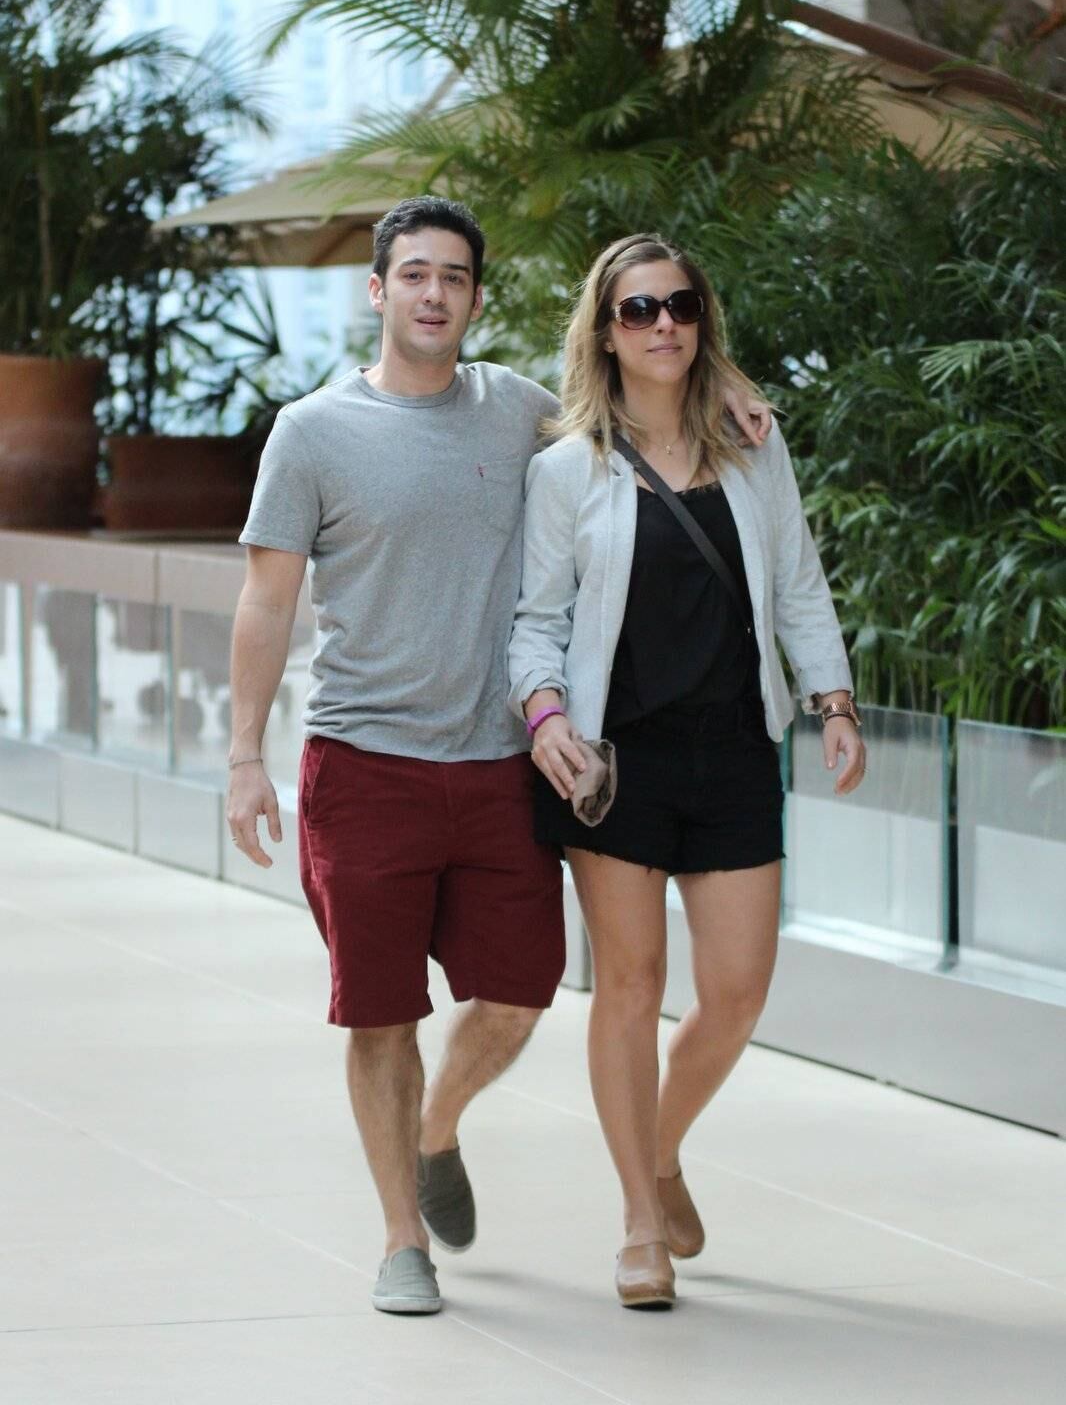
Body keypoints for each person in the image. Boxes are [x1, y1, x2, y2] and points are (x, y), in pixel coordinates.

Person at [225, 198, 771, 1317]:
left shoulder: (519, 412)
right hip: (362, 762)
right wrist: (243, 756)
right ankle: (398, 1239)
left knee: (520, 994)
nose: (434, 294)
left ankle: (436, 1126)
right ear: (377, 291)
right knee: (380, 1012)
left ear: (477, 297)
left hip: (495, 769)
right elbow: (265, 600)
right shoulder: (312, 430)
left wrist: (722, 384)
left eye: (455, 278)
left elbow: (642, 394)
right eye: (413, 275)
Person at [508, 233, 866, 1311]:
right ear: (605, 331)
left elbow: (797, 581)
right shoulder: (567, 469)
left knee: (738, 991)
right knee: (629, 986)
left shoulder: (755, 446)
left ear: (700, 320)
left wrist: (832, 697)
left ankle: (658, 1153)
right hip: (618, 761)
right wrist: (543, 714)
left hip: (735, 746)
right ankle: (635, 1221)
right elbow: (537, 622)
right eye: (637, 309)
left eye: (680, 305)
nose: (662, 323)